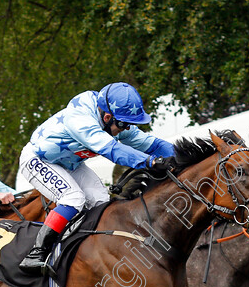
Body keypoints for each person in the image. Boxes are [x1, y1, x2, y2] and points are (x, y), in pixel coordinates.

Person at [18, 82, 175, 273]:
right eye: (124, 124)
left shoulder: (113, 120)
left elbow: (150, 143)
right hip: (37, 160)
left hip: (69, 164)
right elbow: (112, 150)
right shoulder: (81, 118)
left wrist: (185, 154)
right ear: (107, 117)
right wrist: (149, 162)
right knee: (73, 198)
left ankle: (85, 251)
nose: (127, 129)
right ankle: (36, 254)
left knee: (102, 203)